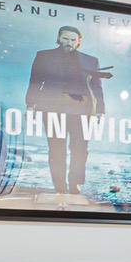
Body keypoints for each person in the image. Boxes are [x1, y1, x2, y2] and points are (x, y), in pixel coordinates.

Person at [24, 23, 110, 203]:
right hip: (52, 108)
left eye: (72, 39)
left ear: (78, 42)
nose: (69, 42)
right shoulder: (43, 56)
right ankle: (59, 187)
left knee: (80, 149)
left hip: (82, 110)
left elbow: (97, 87)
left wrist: (100, 111)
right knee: (56, 149)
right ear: (58, 39)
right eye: (65, 38)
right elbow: (35, 81)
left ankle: (75, 184)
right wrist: (30, 106)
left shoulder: (91, 60)